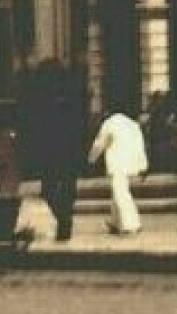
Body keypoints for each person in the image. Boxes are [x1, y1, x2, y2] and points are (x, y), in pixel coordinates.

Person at [36, 61, 86, 242]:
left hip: (57, 154)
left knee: (52, 191)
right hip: (62, 154)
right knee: (60, 192)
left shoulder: (53, 105)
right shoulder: (57, 104)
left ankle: (64, 224)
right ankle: (64, 222)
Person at [88, 111, 149, 235]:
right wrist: (143, 165)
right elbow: (140, 145)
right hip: (130, 162)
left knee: (120, 193)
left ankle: (131, 223)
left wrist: (91, 159)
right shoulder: (132, 125)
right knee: (118, 191)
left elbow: (100, 143)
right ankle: (115, 222)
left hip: (116, 162)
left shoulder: (109, 123)